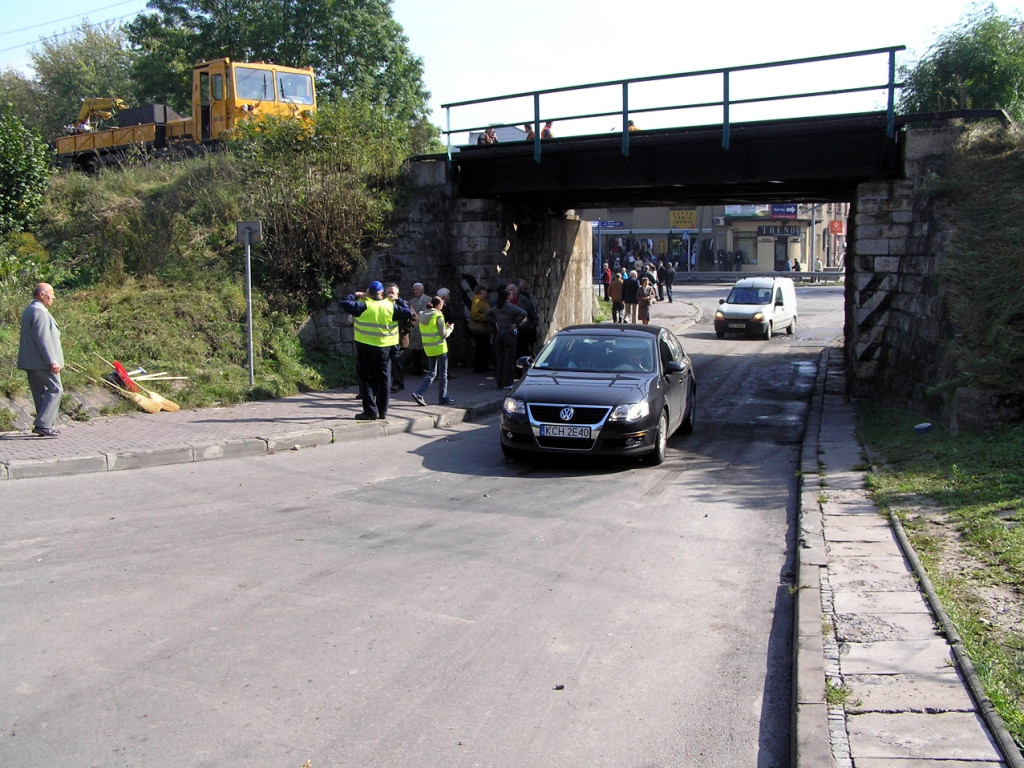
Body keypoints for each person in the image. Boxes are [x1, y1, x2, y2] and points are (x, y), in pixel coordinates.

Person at [340, 280, 413, 420]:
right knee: (384, 379)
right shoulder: (390, 306)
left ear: (369, 292)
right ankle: (383, 411)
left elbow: (344, 302)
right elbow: (408, 313)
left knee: (365, 379)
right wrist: (398, 299)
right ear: (382, 292)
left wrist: (356, 294)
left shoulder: (363, 306)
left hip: (365, 347)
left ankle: (370, 411)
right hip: (385, 348)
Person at [18, 283, 64, 437]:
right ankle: (43, 424)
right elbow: (43, 338)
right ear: (42, 295)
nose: (54, 298)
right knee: (56, 389)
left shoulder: (30, 309)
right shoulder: (39, 311)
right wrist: (52, 361)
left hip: (31, 361)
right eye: (51, 295)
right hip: (42, 362)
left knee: (41, 392)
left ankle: (45, 425)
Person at [412, 296, 456, 407]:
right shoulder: (438, 315)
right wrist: (450, 328)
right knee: (443, 374)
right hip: (440, 347)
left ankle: (419, 393)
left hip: (428, 347)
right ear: (438, 306)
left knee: (431, 373)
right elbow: (443, 334)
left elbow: (431, 329)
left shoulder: (422, 314)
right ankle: (443, 397)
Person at [485, 288, 528, 388]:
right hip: (509, 334)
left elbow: (487, 314)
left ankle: (499, 381)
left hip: (499, 334)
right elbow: (523, 313)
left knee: (499, 359)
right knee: (509, 359)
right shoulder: (511, 307)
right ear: (508, 297)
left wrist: (495, 323)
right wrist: (516, 323)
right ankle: (508, 382)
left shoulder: (497, 307)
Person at [385, 283, 411, 392]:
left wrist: (405, 330)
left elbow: (414, 317)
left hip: (400, 339)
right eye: (388, 292)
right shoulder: (383, 304)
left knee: (397, 362)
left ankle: (397, 383)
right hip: (387, 339)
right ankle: (391, 383)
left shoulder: (404, 304)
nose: (390, 294)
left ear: (397, 294)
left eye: (392, 292)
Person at [406, 282, 431, 375]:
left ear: (422, 290)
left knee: (427, 351)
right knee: (415, 351)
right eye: (414, 289)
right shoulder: (412, 301)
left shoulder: (429, 300)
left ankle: (430, 369)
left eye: (417, 289)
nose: (415, 291)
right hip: (415, 329)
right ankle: (416, 369)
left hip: (425, 328)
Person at [513, 280, 540, 360]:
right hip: (513, 331)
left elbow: (531, 313)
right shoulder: (505, 301)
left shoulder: (524, 300)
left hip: (524, 330)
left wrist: (532, 325)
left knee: (523, 350)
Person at [469, 285, 492, 373]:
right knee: (480, 347)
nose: (485, 292)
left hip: (485, 327)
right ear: (479, 291)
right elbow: (474, 314)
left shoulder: (483, 300)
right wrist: (484, 317)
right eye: (483, 290)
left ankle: (484, 365)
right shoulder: (477, 300)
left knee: (485, 346)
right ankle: (479, 366)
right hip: (480, 328)